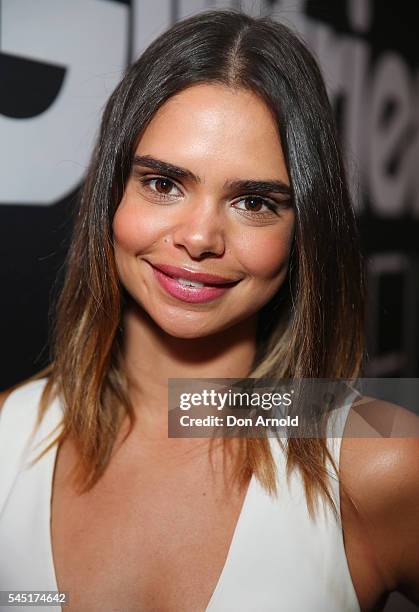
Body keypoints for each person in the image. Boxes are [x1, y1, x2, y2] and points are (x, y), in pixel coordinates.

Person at [0, 9, 418, 612]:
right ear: (112, 196)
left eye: (253, 201)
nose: (199, 238)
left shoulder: (378, 462)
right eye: (164, 184)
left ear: (305, 233)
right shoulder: (10, 437)